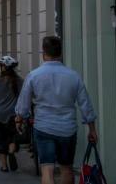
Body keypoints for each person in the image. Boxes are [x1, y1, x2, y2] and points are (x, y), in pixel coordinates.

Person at [14, 36, 97, 184]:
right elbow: (85, 104)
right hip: (67, 129)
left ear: (43, 53)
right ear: (60, 53)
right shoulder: (73, 76)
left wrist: (20, 118)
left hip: (44, 127)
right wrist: (92, 129)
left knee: (47, 169)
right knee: (66, 168)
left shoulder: (34, 75)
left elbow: (23, 103)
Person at [0, 55, 23, 172]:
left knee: (0, 140)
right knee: (12, 137)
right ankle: (11, 151)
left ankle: (4, 166)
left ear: (3, 67)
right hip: (13, 116)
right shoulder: (20, 81)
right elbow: (22, 98)